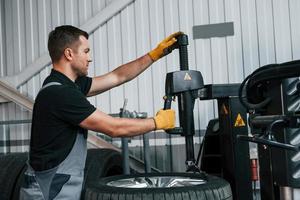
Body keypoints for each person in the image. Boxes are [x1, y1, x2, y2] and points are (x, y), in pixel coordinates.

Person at [19, 25, 181, 200]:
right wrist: (157, 122)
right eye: (86, 51)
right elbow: (113, 128)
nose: (90, 58)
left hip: (56, 188)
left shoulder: (66, 85)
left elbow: (118, 77)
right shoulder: (60, 94)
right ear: (69, 54)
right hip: (48, 192)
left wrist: (153, 55)